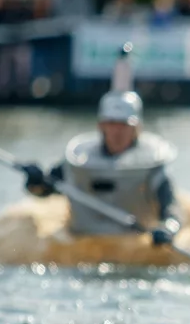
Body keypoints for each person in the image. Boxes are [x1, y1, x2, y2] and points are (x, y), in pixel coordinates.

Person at [22, 50, 181, 246]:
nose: (117, 131)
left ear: (137, 128)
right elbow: (45, 189)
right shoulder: (80, 159)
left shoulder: (152, 162)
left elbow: (172, 209)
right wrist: (35, 180)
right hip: (82, 242)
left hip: (135, 244)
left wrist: (168, 228)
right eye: (111, 124)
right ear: (101, 126)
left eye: (124, 125)